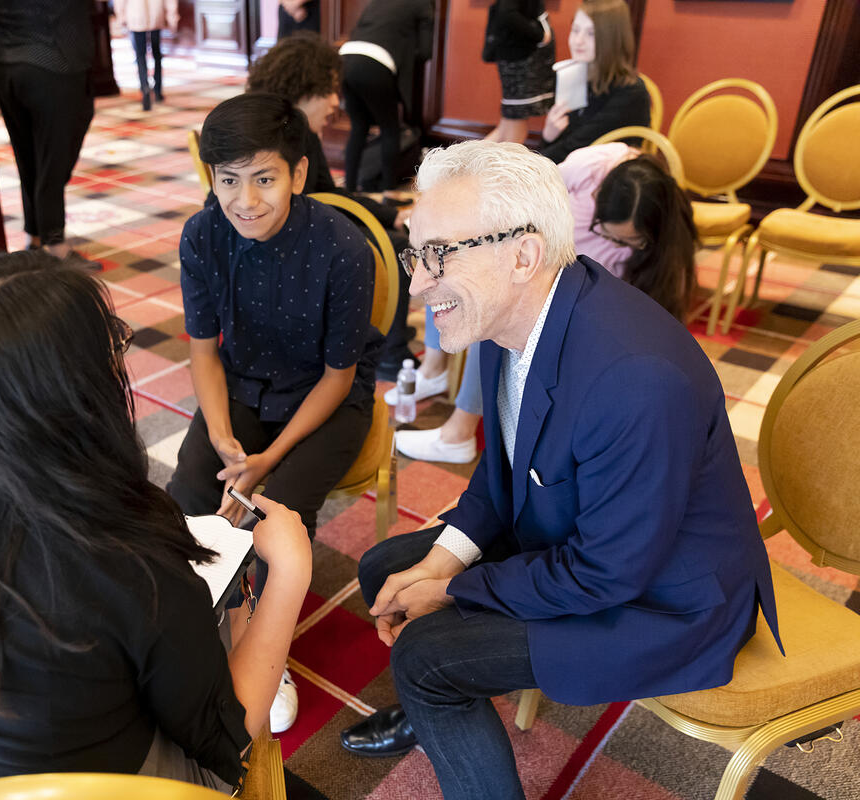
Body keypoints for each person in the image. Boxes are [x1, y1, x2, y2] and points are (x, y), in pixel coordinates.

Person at [336, 141, 780, 800]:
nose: (420, 283)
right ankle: (439, 709)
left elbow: (607, 573)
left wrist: (452, 590)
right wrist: (443, 564)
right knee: (388, 569)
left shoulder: (635, 378)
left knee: (426, 657)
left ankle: (435, 691)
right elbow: (502, 471)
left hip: (662, 601)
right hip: (583, 534)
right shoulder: (509, 313)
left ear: (523, 254)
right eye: (417, 255)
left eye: (440, 255)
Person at [0, 252, 313, 796]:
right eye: (112, 346)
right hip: (108, 789)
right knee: (227, 618)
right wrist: (289, 572)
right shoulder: (128, 555)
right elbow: (232, 736)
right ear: (75, 399)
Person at [167, 93, 383, 732]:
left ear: (299, 173)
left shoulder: (343, 248)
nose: (246, 199)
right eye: (229, 179)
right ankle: (198, 628)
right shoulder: (203, 233)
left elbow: (338, 377)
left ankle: (265, 650)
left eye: (264, 178)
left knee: (278, 511)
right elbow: (203, 352)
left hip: (326, 398)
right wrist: (223, 437)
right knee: (188, 493)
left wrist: (266, 460)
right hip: (242, 386)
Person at [394, 142, 698, 463]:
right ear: (595, 200)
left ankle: (459, 430)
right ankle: (433, 371)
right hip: (540, 268)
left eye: (625, 242)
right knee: (456, 297)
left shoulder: (636, 387)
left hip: (562, 287)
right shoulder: (591, 166)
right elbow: (530, 193)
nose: (413, 288)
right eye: (605, 232)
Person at [245, 33, 416, 377]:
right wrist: (388, 217)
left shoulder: (282, 125)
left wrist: (391, 214)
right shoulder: (287, 137)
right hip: (286, 242)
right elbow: (321, 200)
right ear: (305, 89)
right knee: (396, 248)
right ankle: (390, 354)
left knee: (391, 235)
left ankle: (388, 339)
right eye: (330, 91)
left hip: (297, 228)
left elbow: (326, 194)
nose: (336, 102)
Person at [0, 0, 99, 269]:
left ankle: (36, 237)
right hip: (58, 62)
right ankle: (55, 246)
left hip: (6, 61)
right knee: (53, 158)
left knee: (27, 155)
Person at [340, 0, 435, 196]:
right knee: (390, 128)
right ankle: (389, 192)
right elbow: (425, 51)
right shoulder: (422, 4)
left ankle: (349, 190)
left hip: (346, 57)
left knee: (358, 127)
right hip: (376, 61)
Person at [538, 0, 650, 163]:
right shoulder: (575, 77)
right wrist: (548, 136)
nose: (578, 40)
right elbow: (562, 148)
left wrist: (531, 164)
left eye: (591, 33)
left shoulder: (631, 93)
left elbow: (576, 149)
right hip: (569, 169)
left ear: (612, 38)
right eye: (575, 30)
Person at [482, 0, 555, 145]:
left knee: (508, 124)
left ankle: (469, 157)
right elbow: (507, 13)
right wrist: (539, 35)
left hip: (517, 59)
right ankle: (474, 158)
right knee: (515, 128)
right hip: (520, 61)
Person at [115, 0, 178, 110]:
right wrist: (172, 17)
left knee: (141, 56)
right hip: (156, 15)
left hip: (136, 16)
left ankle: (145, 88)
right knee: (156, 54)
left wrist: (121, 16)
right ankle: (157, 90)